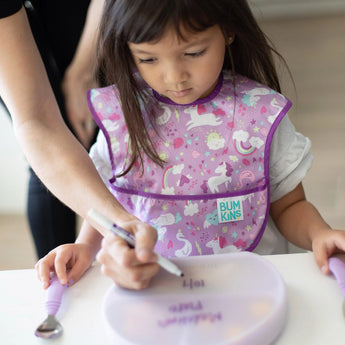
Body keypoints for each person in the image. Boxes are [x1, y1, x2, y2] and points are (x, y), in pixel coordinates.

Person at [36, 0, 345, 290]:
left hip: (251, 286)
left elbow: (289, 205)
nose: (174, 77)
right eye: (148, 58)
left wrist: (319, 234)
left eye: (194, 53)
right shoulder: (124, 119)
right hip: (156, 288)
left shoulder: (259, 115)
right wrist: (84, 247)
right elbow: (111, 204)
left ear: (228, 30)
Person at [0, 0, 103, 258]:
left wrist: (83, 71)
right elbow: (38, 123)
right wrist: (120, 225)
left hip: (96, 13)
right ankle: (57, 279)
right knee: (45, 162)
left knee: (111, 143)